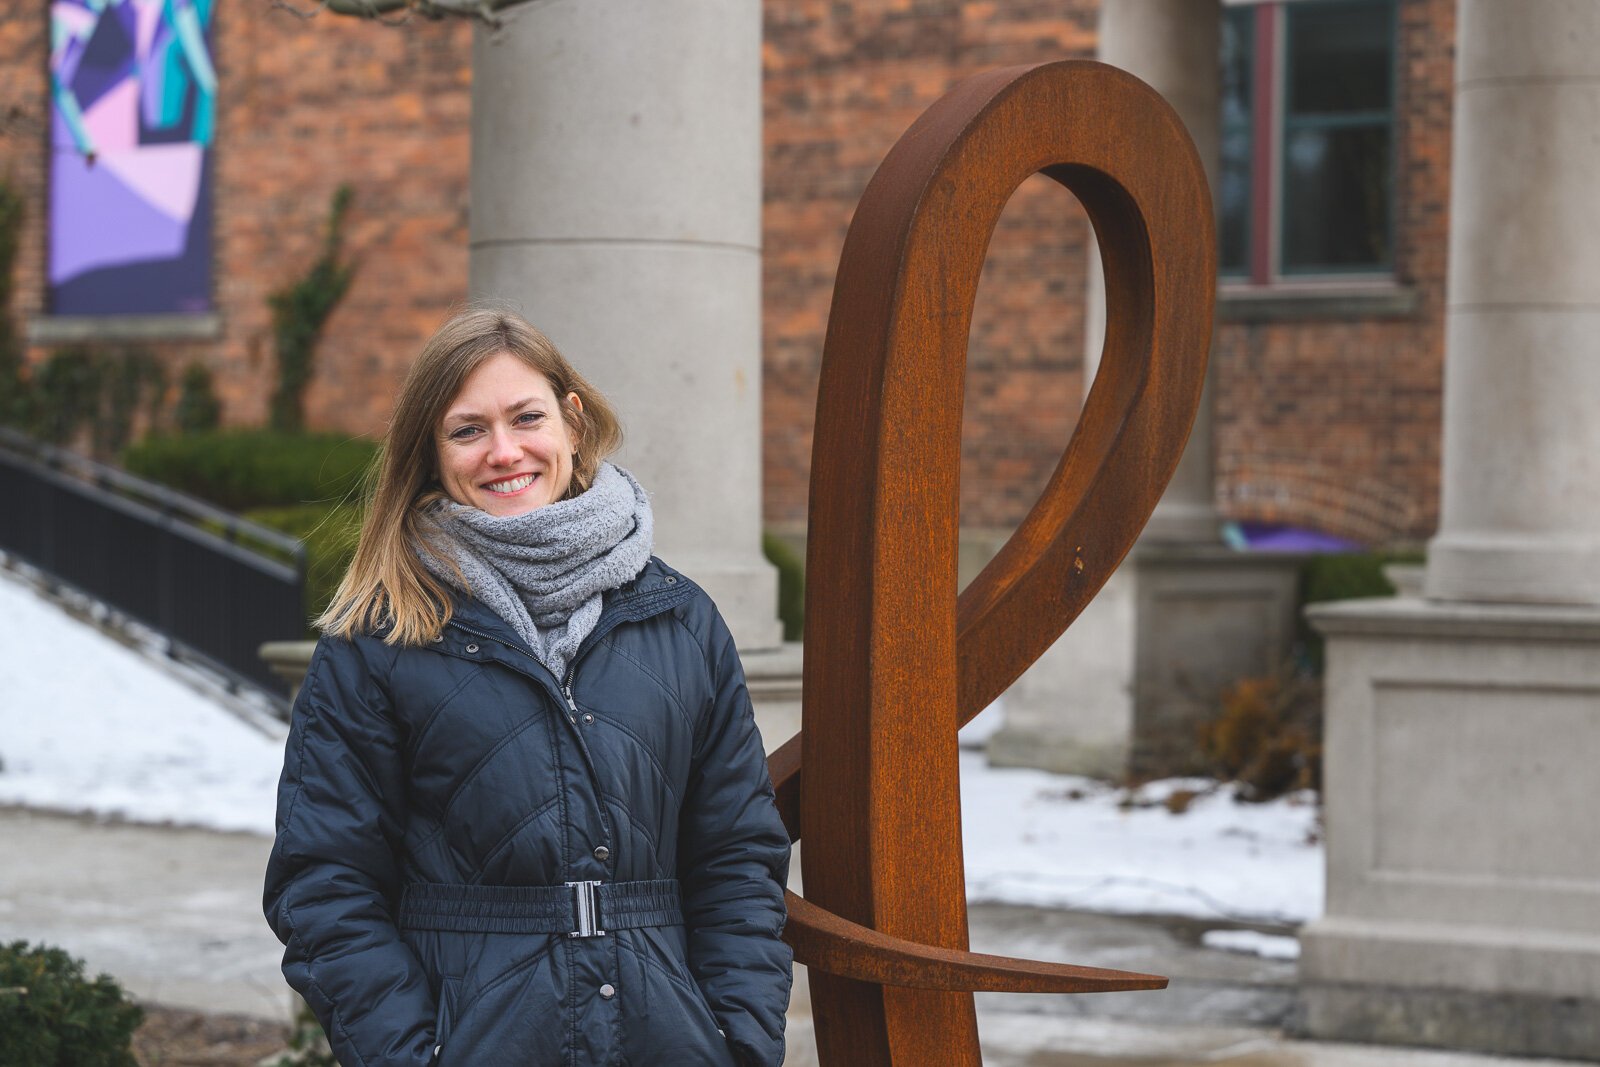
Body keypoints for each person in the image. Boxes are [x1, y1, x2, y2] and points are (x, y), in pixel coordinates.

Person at [263, 306, 792, 1067]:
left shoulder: (680, 620)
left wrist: (737, 1041)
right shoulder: (377, 640)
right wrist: (410, 1055)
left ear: (572, 422)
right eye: (467, 429)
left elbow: (737, 859)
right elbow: (323, 883)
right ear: (432, 452)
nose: (503, 451)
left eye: (525, 417)